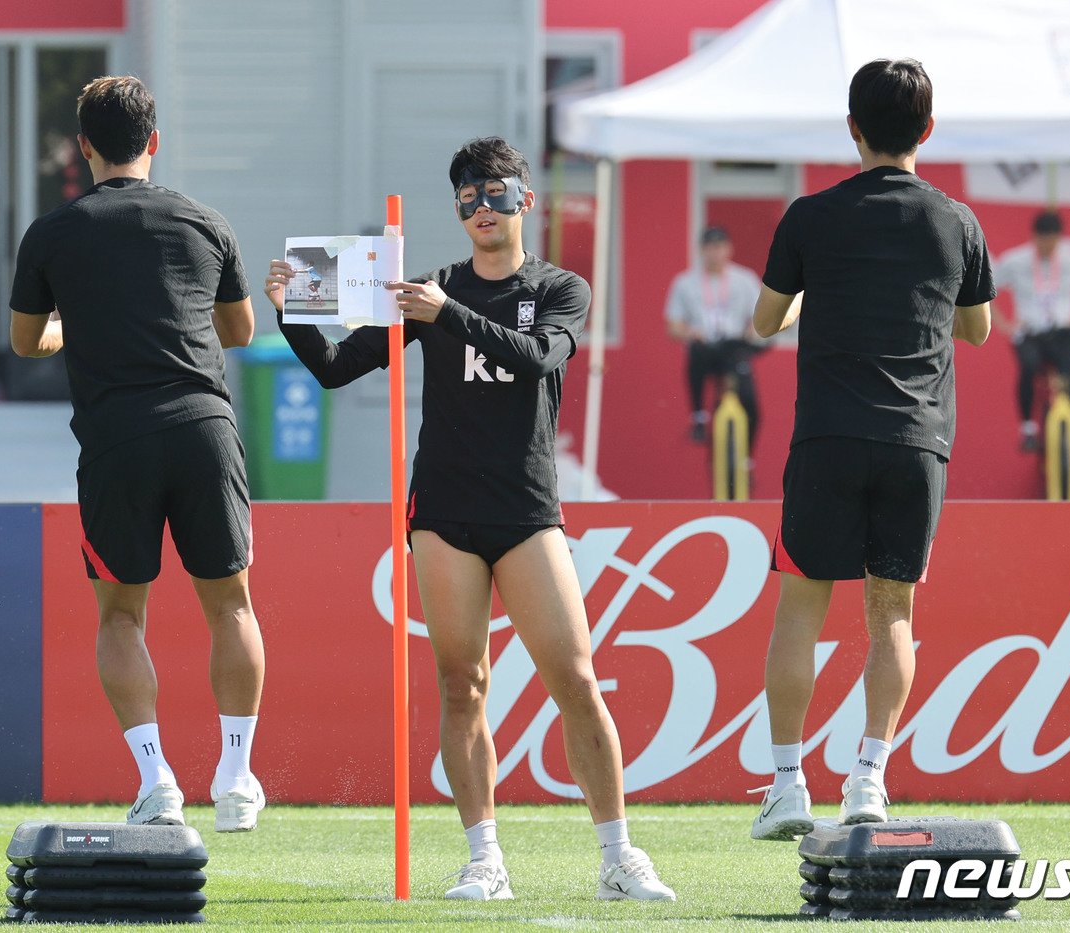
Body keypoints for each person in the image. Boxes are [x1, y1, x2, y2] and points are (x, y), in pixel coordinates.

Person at [262, 137, 675, 903]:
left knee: (577, 679)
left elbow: (540, 357)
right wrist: (290, 313)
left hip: (525, 509)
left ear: (526, 200)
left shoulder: (557, 286)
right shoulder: (427, 289)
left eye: (494, 191)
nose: (480, 207)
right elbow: (333, 368)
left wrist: (448, 315)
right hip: (445, 512)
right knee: (462, 683)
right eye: (466, 196)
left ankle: (619, 854)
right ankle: (484, 856)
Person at [10, 75, 267, 833]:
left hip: (117, 438)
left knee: (122, 616)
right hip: (203, 427)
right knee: (232, 605)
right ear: (154, 141)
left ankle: (157, 780)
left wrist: (73, 329)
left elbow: (28, 341)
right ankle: (237, 772)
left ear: (83, 147)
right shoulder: (204, 221)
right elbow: (241, 330)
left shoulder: (53, 233)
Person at [748, 59, 994, 840]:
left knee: (801, 606)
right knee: (891, 611)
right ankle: (869, 779)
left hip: (827, 438)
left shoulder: (810, 217)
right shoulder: (956, 222)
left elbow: (764, 320)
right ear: (927, 130)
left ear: (851, 127)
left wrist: (821, 294)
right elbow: (976, 328)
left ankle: (788, 785)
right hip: (916, 442)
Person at [991, 210, 1070, 451]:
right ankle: (1028, 428)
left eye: (1053, 240)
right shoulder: (1015, 260)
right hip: (1031, 333)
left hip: (1063, 333)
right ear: (1035, 237)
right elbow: (987, 289)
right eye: (1043, 239)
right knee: (1028, 365)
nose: (1048, 245)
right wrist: (1004, 324)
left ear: (1059, 238)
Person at [663, 226, 764, 444]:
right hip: (705, 346)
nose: (714, 253)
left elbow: (759, 317)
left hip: (733, 347)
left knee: (749, 399)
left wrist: (752, 333)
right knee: (696, 356)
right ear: (701, 250)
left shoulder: (745, 279)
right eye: (709, 247)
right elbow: (673, 325)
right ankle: (698, 416)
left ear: (729, 249)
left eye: (719, 247)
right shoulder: (685, 282)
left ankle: (746, 458)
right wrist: (689, 332)